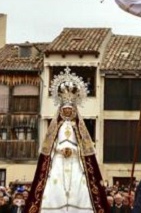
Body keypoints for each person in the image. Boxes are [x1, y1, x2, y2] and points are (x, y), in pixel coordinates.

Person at [25, 67, 109, 212]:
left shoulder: (79, 127)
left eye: (70, 110)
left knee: (80, 185)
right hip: (59, 160)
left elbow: (84, 147)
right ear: (61, 111)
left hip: (75, 160)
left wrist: (74, 150)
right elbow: (51, 145)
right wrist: (60, 150)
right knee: (53, 185)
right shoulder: (56, 126)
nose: (68, 112)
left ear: (74, 110)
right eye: (65, 110)